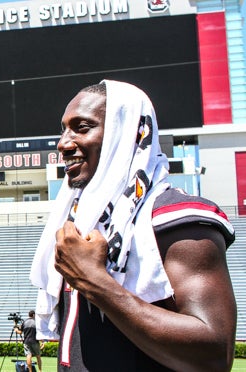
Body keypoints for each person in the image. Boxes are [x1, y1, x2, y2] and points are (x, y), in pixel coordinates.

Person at [30, 80, 236, 371]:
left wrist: (96, 283)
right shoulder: (79, 223)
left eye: (82, 127)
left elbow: (214, 354)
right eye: (63, 129)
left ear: (125, 133)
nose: (63, 143)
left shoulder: (176, 218)